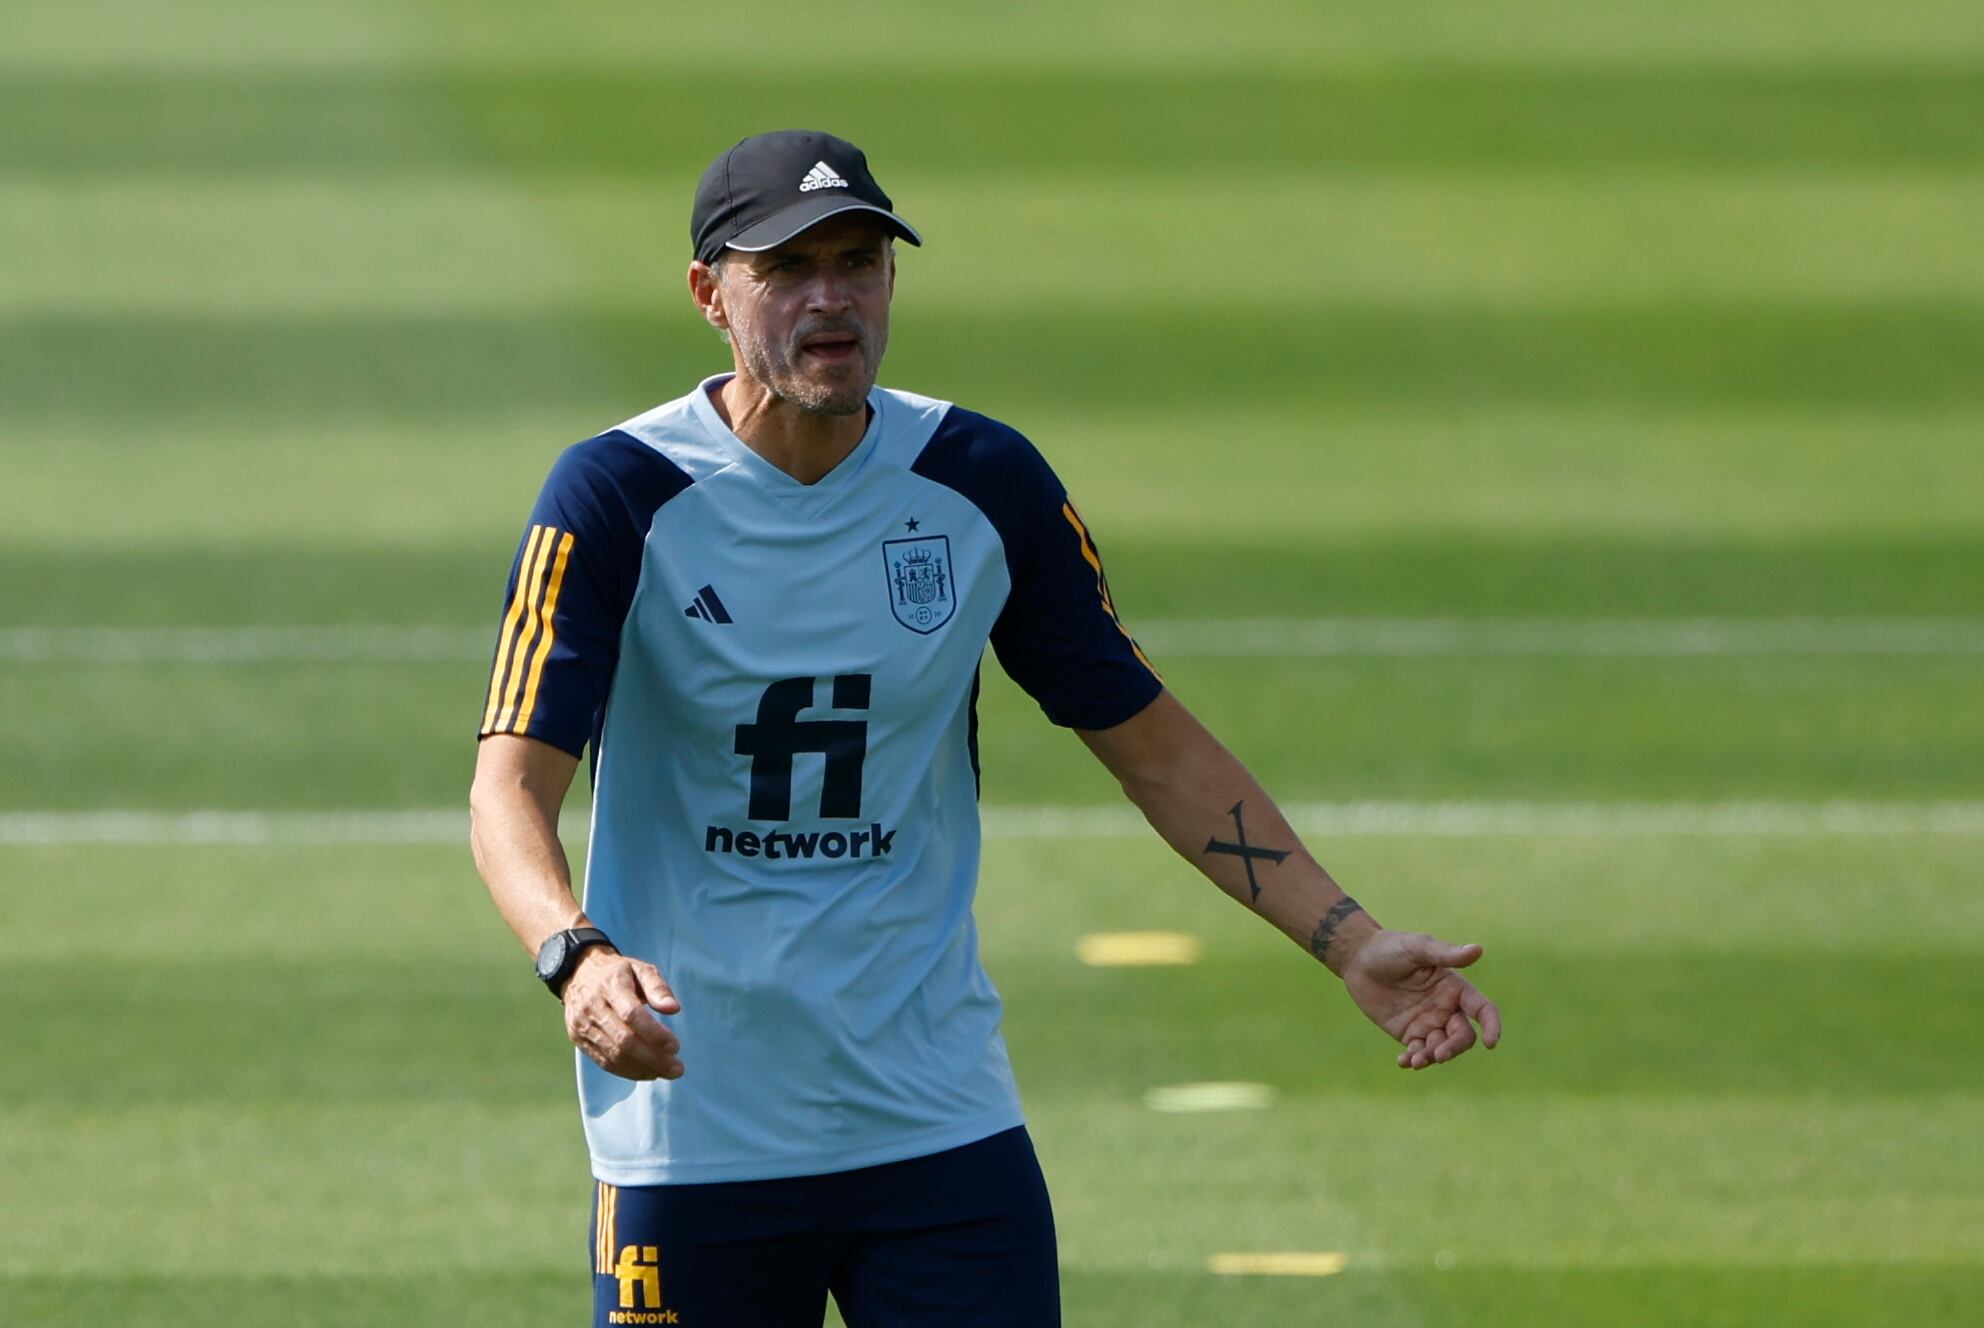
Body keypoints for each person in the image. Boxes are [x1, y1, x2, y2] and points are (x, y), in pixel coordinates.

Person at [467, 129, 1501, 1328]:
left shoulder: (979, 480)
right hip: (696, 1134)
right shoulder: (615, 496)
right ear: (710, 294)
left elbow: (1154, 746)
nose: (831, 300)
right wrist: (573, 953)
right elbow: (508, 790)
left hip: (935, 1121)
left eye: (858, 262)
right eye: (788, 271)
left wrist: (1347, 937)